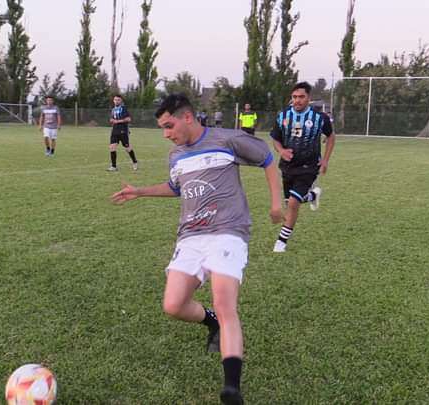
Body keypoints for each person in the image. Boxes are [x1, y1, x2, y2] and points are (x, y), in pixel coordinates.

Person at [111, 94, 283, 404]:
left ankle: (232, 388)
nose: (166, 133)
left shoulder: (227, 139)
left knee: (224, 301)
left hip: (228, 231)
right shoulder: (176, 155)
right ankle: (210, 321)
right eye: (163, 128)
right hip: (190, 235)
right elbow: (176, 187)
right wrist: (140, 191)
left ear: (187, 117)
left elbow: (267, 159)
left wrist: (275, 203)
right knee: (173, 305)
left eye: (169, 125)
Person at [270, 82, 335, 253]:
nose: (297, 100)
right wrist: (281, 150)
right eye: (294, 97)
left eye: (301, 97)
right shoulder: (282, 116)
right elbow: (275, 138)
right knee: (290, 202)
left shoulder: (320, 118)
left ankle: (281, 242)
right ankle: (313, 194)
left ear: (309, 98)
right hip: (287, 167)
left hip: (309, 166)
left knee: (292, 203)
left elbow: (330, 136)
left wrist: (326, 160)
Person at [107, 94, 139, 171]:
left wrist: (118, 121)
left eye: (118, 100)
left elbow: (128, 119)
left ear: (121, 101)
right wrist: (111, 120)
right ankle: (114, 166)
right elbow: (112, 119)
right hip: (114, 130)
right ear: (113, 101)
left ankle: (134, 161)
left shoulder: (123, 109)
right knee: (112, 147)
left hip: (123, 130)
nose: (116, 101)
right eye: (115, 100)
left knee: (127, 147)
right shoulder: (113, 109)